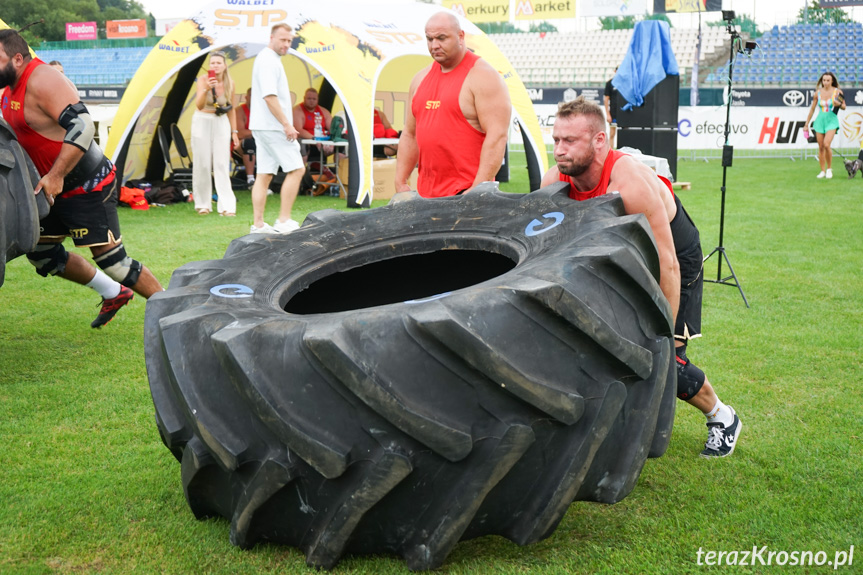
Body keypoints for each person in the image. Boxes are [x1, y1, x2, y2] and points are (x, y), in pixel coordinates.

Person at [540, 96, 742, 458]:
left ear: (599, 141)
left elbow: (668, 264)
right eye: (556, 140)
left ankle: (722, 416)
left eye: (569, 141)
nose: (559, 150)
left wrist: (661, 332)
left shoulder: (630, 184)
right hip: (616, 253)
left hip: (672, 256)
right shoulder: (555, 181)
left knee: (663, 357)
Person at [0, 29, 163, 327]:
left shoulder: (43, 79)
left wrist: (57, 175)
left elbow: (83, 126)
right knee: (41, 253)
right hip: (51, 187)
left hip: (87, 181)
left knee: (114, 261)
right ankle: (114, 292)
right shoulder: (9, 87)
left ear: (18, 58)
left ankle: (174, 311)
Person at [395, 11, 511, 197]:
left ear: (460, 36)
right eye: (429, 39)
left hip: (467, 193)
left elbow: (497, 136)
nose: (434, 45)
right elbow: (410, 134)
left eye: (441, 38)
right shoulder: (420, 79)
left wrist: (477, 189)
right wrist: (400, 182)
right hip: (426, 195)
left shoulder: (483, 76)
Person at [248, 23, 305, 234]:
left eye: (289, 41)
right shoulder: (268, 61)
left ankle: (259, 225)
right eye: (283, 40)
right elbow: (269, 96)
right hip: (272, 127)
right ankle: (283, 221)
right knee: (297, 169)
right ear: (271, 37)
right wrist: (286, 124)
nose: (286, 44)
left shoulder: (267, 59)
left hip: (263, 126)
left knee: (264, 175)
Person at [191, 50, 238, 216]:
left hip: (221, 121)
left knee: (221, 163)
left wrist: (234, 132)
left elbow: (231, 109)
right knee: (202, 162)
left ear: (224, 66)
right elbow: (198, 105)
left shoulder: (229, 83)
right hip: (203, 118)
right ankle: (203, 204)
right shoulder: (203, 80)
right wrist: (206, 89)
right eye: (212, 63)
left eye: (218, 63)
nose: (215, 66)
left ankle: (227, 205)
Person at [804, 71, 845, 179]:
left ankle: (829, 169)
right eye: (824, 80)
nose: (826, 82)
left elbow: (844, 106)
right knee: (821, 146)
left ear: (832, 81)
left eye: (828, 80)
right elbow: (812, 109)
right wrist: (806, 124)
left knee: (827, 144)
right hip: (820, 120)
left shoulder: (837, 92)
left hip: (831, 119)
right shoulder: (818, 93)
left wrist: (839, 104)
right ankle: (822, 171)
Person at [293, 87, 335, 166]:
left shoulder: (324, 112)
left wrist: (332, 141)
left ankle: (339, 174)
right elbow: (298, 130)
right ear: (304, 98)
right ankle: (302, 174)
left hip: (322, 143)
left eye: (314, 99)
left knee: (341, 146)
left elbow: (333, 129)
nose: (311, 101)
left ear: (317, 100)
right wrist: (315, 140)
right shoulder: (297, 111)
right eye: (309, 98)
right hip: (307, 142)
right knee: (301, 144)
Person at [234, 87, 256, 186]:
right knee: (249, 143)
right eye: (252, 95)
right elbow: (240, 134)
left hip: (260, 142)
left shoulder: (264, 111)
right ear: (246, 97)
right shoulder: (240, 111)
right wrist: (258, 131)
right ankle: (250, 179)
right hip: (239, 145)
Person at [603, 67, 618, 149]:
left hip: (624, 113)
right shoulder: (610, 83)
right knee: (612, 133)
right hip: (613, 113)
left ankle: (624, 153)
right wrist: (608, 114)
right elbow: (606, 99)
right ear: (615, 71)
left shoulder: (626, 83)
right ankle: (611, 152)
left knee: (624, 133)